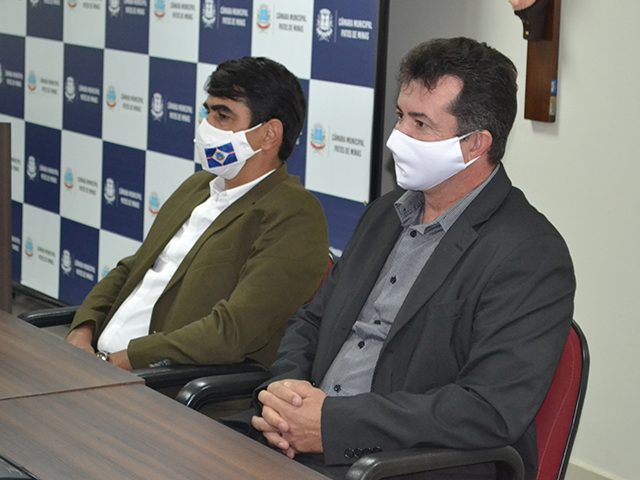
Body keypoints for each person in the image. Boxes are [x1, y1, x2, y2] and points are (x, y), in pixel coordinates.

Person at [227, 38, 575, 480]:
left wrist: (330, 425)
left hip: (397, 464)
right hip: (297, 439)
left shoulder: (530, 253)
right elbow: (312, 320)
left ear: (475, 144)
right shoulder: (384, 214)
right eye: (400, 115)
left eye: (420, 123)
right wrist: (286, 396)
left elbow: (487, 409)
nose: (398, 136)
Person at [65, 57, 329, 372]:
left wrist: (122, 360)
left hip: (162, 384)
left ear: (269, 134)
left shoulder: (294, 215)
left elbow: (231, 332)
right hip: (101, 364)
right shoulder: (198, 186)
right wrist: (83, 330)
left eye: (223, 115)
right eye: (208, 112)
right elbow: (134, 268)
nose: (207, 126)